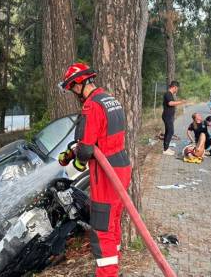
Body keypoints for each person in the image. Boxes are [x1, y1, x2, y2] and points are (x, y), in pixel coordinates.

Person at [57, 62, 131, 277]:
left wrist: (77, 161)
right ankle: (112, 270)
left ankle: (107, 274)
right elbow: (100, 137)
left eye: (72, 87)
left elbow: (87, 147)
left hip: (105, 173)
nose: (73, 92)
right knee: (113, 220)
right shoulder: (110, 100)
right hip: (121, 167)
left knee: (102, 227)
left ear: (79, 83)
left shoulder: (91, 106)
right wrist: (72, 152)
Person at [162, 81, 186, 155]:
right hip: (167, 116)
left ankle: (166, 148)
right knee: (170, 132)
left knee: (168, 132)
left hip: (169, 116)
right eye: (177, 88)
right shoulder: (168, 94)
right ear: (174, 87)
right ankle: (165, 150)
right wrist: (181, 102)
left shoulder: (170, 94)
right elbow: (170, 103)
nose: (177, 90)